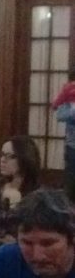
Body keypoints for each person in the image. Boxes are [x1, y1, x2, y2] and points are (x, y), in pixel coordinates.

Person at [52, 66, 75, 201]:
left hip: (71, 144)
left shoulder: (67, 91)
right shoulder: (68, 94)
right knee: (71, 179)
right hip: (72, 145)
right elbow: (60, 114)